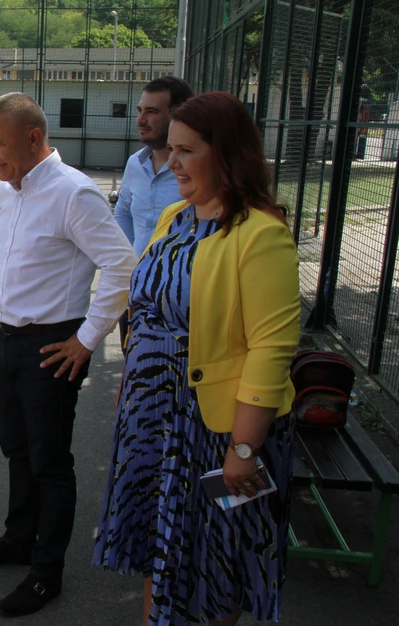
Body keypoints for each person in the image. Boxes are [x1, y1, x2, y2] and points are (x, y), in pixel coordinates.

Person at [93, 92, 300, 626]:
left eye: (187, 151)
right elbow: (147, 306)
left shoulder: (261, 235)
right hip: (152, 414)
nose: (173, 163)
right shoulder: (174, 217)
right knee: (157, 550)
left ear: (227, 153)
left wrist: (244, 447)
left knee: (213, 565)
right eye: (171, 149)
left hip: (214, 427)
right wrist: (132, 377)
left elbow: (272, 349)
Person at [0, 93, 136, 617]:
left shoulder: (73, 193)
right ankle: (19, 539)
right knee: (17, 448)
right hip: (7, 340)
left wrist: (87, 338)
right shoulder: (9, 190)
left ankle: (46, 571)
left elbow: (123, 266)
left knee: (50, 461)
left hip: (51, 345)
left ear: (33, 138)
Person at [113, 77, 195, 346]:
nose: (141, 119)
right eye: (140, 110)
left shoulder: (196, 172)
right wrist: (131, 259)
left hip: (181, 299)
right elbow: (123, 210)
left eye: (151, 111)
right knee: (135, 362)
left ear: (177, 114)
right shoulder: (134, 164)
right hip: (136, 292)